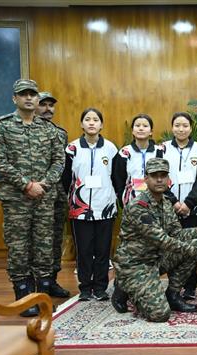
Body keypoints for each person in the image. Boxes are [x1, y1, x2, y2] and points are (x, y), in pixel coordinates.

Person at [112, 158, 197, 322]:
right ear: (146, 178)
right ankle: (124, 286)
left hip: (156, 259)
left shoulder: (165, 203)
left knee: (194, 243)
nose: (159, 179)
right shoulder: (138, 206)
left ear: (168, 179)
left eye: (163, 175)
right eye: (154, 175)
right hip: (136, 264)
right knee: (160, 315)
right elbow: (164, 240)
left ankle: (173, 295)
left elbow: (177, 234)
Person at [0, 79, 64, 317]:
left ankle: (42, 298)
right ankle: (23, 299)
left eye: (33, 94)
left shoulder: (49, 129)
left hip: (44, 197)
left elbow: (58, 161)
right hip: (16, 199)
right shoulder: (1, 127)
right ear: (15, 99)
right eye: (24, 95)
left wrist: (43, 184)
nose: (29, 98)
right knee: (19, 248)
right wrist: (26, 185)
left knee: (44, 249)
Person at [62, 107, 118, 302]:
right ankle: (85, 287)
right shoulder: (72, 148)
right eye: (87, 119)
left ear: (101, 125)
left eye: (96, 120)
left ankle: (101, 287)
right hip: (80, 209)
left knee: (103, 250)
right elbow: (65, 178)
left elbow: (117, 178)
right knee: (84, 250)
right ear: (82, 124)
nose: (92, 123)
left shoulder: (111, 148)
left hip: (105, 207)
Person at [162, 112, 197, 300]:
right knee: (172, 248)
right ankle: (174, 288)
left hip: (193, 208)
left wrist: (188, 204)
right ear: (172, 128)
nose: (181, 129)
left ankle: (190, 288)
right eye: (177, 125)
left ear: (191, 128)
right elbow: (159, 177)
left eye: (185, 125)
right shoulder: (162, 149)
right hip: (169, 208)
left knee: (192, 247)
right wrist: (173, 202)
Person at [35, 91, 71, 298]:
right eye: (43, 104)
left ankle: (52, 280)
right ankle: (38, 283)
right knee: (38, 240)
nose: (48, 108)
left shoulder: (60, 132)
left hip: (57, 194)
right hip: (35, 192)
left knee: (56, 238)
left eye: (51, 105)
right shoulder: (25, 130)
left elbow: (63, 165)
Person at [113, 113, 163, 207]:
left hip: (155, 202)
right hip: (131, 203)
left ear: (151, 131)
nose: (141, 128)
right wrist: (122, 199)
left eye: (145, 126)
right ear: (132, 130)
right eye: (137, 125)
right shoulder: (124, 152)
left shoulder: (159, 151)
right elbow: (118, 179)